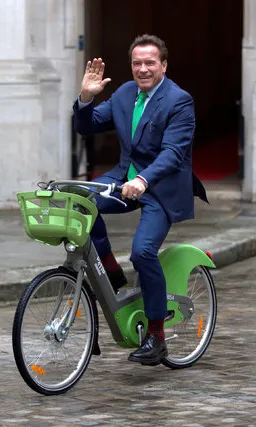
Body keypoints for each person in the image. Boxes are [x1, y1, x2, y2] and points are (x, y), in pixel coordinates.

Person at [73, 34, 208, 366]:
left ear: (163, 65)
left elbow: (173, 153)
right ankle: (111, 272)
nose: (143, 69)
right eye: (137, 63)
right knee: (79, 205)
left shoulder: (179, 101)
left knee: (143, 251)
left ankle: (157, 338)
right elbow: (86, 125)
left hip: (159, 189)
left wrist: (143, 179)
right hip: (124, 179)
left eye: (150, 62)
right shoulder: (124, 94)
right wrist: (86, 98)